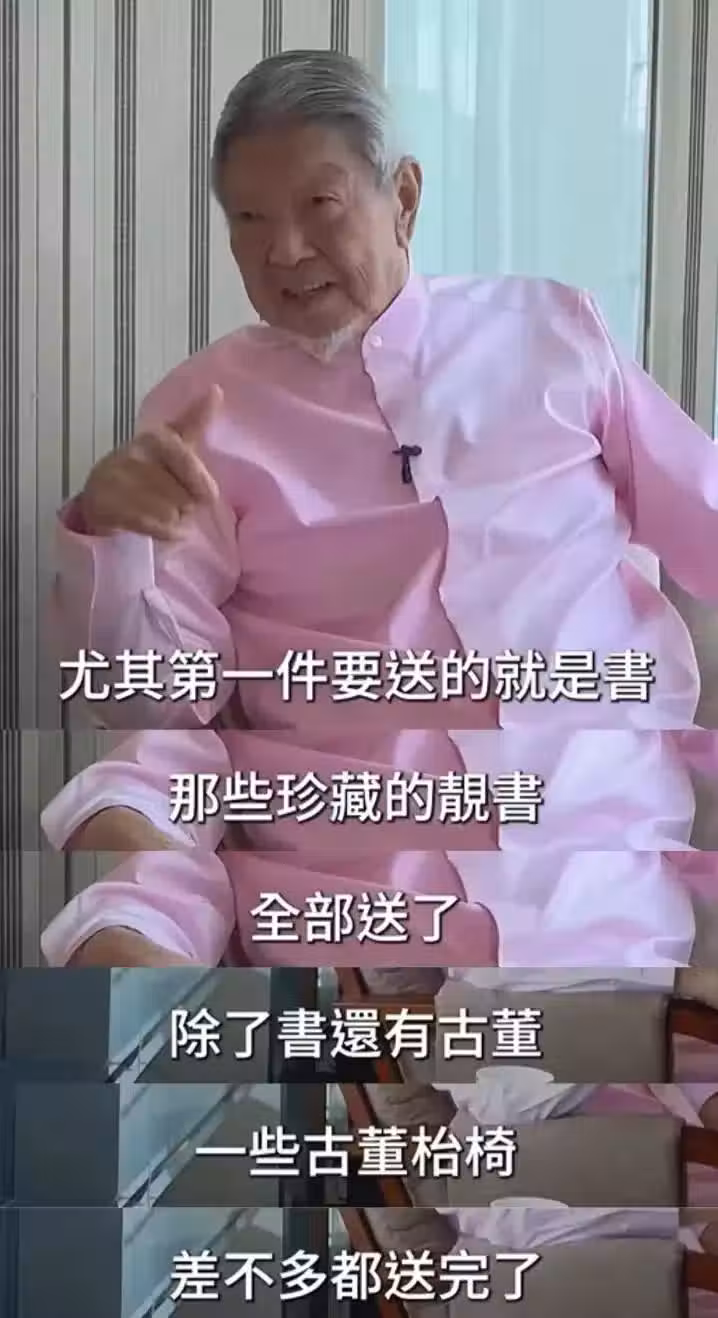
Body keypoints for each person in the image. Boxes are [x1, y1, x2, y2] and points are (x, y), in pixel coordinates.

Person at [42, 50, 718, 971]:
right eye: (248, 220)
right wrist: (116, 542)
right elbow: (150, 700)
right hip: (354, 910)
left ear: (403, 197)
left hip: (596, 898)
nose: (284, 251)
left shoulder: (555, 338)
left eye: (319, 206)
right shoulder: (203, 414)